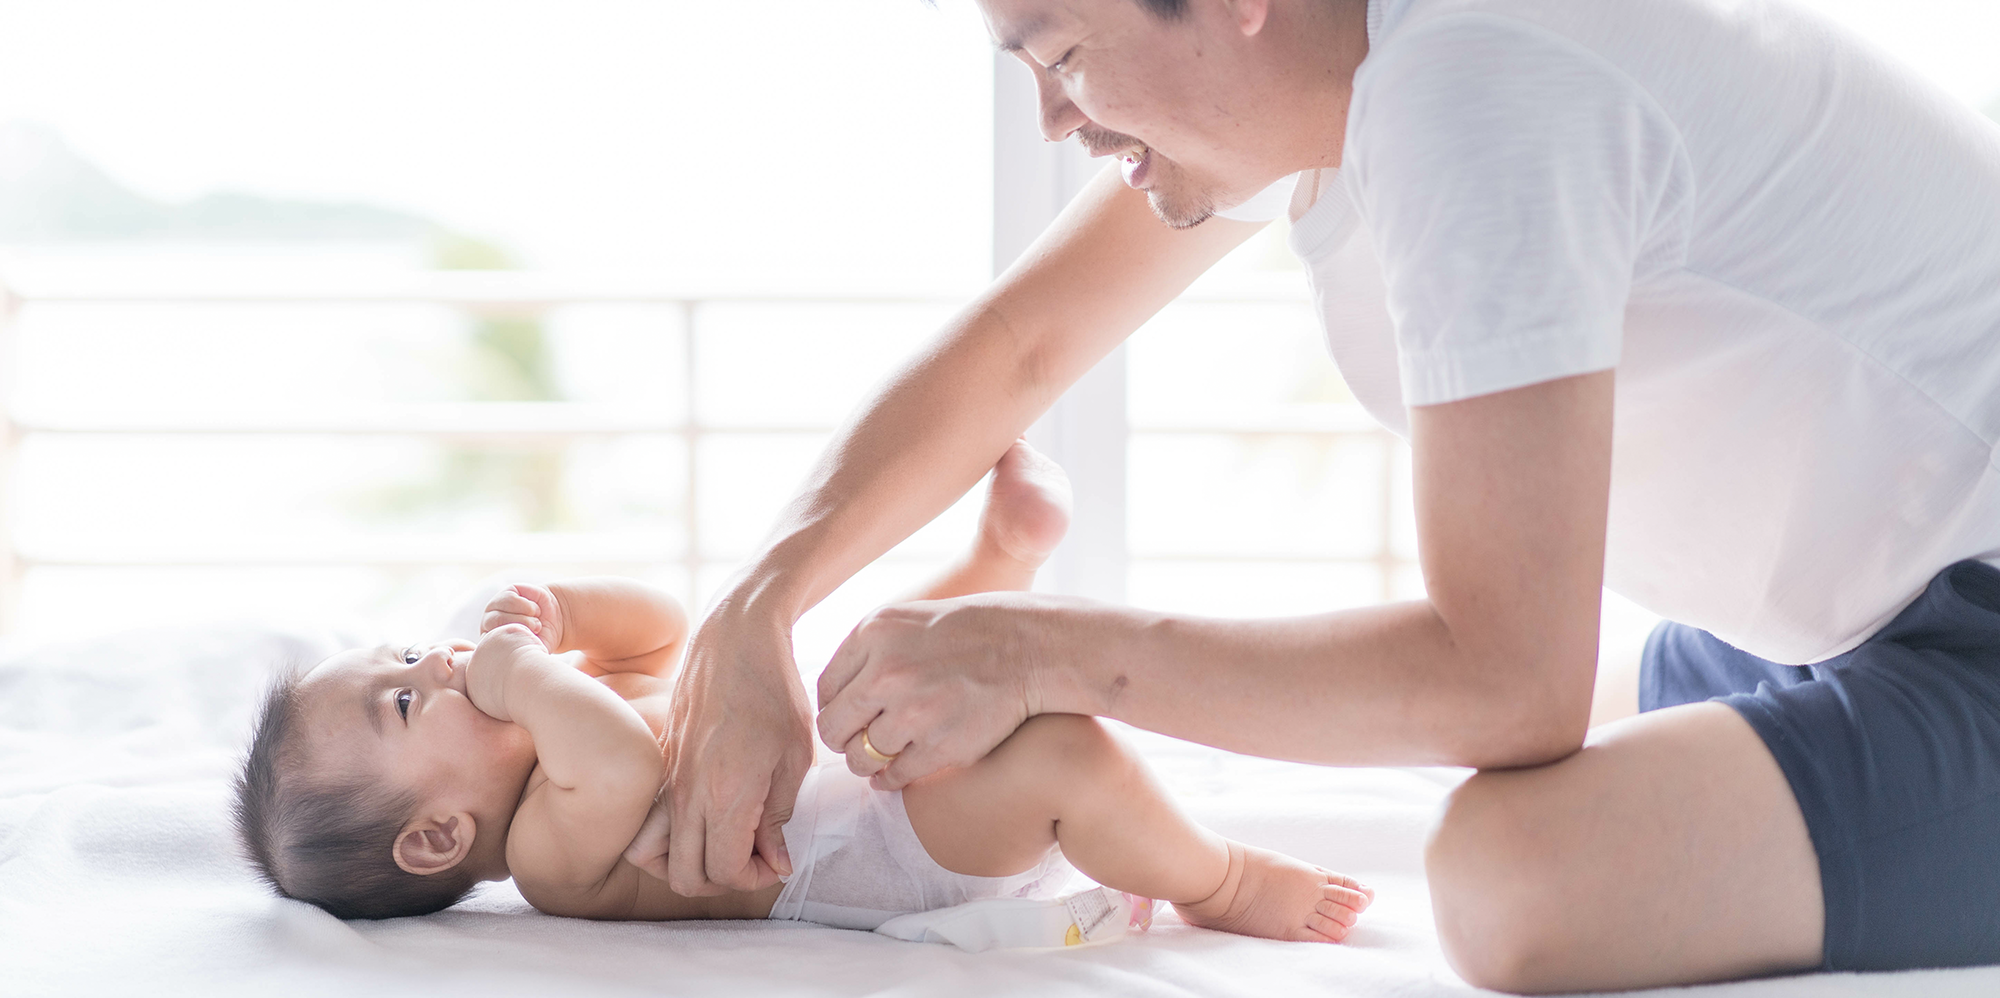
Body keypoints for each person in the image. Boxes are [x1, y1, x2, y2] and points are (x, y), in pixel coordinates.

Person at [637, 0, 2000, 992]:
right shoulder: (1354, 33)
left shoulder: (1478, 73)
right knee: (1560, 726)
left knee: (1513, 871)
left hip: (1970, 621)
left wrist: (1036, 648)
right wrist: (758, 604)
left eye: (1060, 56)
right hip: (1867, 610)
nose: (1057, 117)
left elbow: (1503, 678)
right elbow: (1023, 347)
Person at [231, 442, 1374, 942]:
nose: (429, 665)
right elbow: (627, 762)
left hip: (850, 769)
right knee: (1069, 758)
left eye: (397, 654)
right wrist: (520, 668)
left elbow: (671, 635)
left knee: (861, 655)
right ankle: (1220, 881)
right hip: (882, 855)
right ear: (436, 836)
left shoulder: (557, 728)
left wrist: (565, 615)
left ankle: (995, 569)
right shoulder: (547, 855)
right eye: (400, 705)